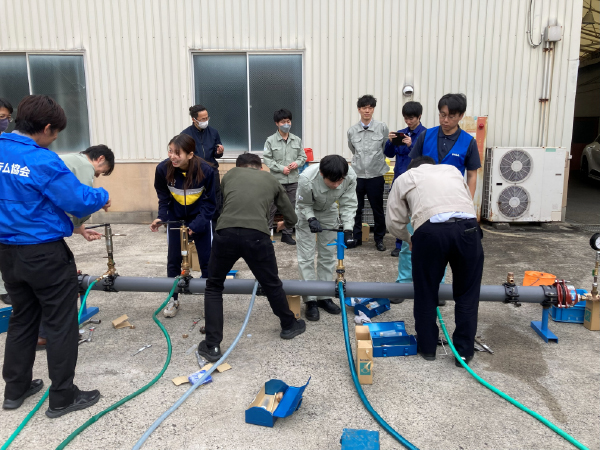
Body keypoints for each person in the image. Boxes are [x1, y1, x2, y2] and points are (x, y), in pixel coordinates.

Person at [0, 95, 110, 417]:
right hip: (43, 253)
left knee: (23, 317)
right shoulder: (42, 160)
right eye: (56, 133)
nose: (55, 139)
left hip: (7, 253)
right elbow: (77, 200)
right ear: (47, 128)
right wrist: (102, 194)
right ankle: (63, 396)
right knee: (61, 323)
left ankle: (15, 389)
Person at [197, 153, 305, 362]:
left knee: (214, 286)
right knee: (271, 283)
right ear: (260, 167)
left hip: (225, 233)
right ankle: (289, 325)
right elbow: (291, 215)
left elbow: (222, 206)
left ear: (239, 167)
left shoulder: (229, 176)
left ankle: (212, 346)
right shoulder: (270, 179)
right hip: (257, 236)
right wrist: (286, 224)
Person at [386, 156, 484, 367]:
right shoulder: (451, 170)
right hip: (469, 229)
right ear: (433, 166)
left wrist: (409, 238)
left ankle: (428, 347)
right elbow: (466, 199)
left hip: (430, 231)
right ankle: (464, 353)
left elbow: (393, 221)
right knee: (467, 294)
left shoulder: (406, 177)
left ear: (412, 168)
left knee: (426, 292)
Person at [37, 145, 116, 350]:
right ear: (100, 159)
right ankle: (50, 335)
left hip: (26, 232)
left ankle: (38, 332)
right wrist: (102, 198)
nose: (97, 175)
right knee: (62, 282)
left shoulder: (67, 159)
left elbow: (62, 201)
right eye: (100, 172)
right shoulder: (84, 165)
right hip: (43, 238)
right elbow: (80, 202)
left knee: (35, 286)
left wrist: (80, 230)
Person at [150, 134, 216, 318]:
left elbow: (211, 203)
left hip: (200, 218)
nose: (172, 156)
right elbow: (163, 197)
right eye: (170, 151)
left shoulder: (206, 171)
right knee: (173, 260)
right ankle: (173, 299)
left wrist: (197, 224)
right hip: (175, 218)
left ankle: (210, 301)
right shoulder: (163, 169)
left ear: (190, 154)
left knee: (207, 261)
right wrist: (161, 217)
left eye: (177, 153)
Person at [296, 155, 358, 321]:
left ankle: (323, 296)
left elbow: (348, 203)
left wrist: (348, 229)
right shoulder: (306, 178)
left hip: (329, 210)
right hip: (306, 212)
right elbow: (304, 204)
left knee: (328, 254)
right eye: (333, 181)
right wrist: (310, 219)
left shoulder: (350, 176)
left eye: (340, 181)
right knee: (306, 256)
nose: (337, 185)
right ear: (322, 174)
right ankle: (310, 299)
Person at [409, 93, 481, 198]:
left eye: (451, 116)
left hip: (453, 197)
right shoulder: (426, 135)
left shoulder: (468, 142)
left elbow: (472, 175)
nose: (446, 120)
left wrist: (469, 201)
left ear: (461, 116)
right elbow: (413, 166)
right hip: (425, 195)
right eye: (443, 115)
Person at [384, 101, 426, 257]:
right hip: (399, 179)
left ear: (419, 116)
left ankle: (417, 242)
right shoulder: (401, 134)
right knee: (399, 212)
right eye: (406, 118)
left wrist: (411, 145)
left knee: (416, 213)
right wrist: (390, 142)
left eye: (411, 118)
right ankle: (399, 244)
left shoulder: (426, 135)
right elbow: (388, 154)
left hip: (417, 181)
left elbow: (425, 157)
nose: (408, 121)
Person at [347, 95, 389, 251]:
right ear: (359, 109)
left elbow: (385, 147)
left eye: (370, 108)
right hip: (358, 175)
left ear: (373, 109)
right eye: (364, 108)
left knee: (377, 209)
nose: (367, 111)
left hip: (375, 174)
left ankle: (379, 239)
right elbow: (353, 149)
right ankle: (357, 238)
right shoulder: (352, 131)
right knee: (356, 208)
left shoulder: (382, 127)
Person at [263, 108, 307, 245]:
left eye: (288, 121)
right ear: (277, 123)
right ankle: (267, 234)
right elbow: (267, 159)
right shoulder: (270, 141)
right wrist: (281, 168)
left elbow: (303, 157)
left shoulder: (296, 140)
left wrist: (297, 163)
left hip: (293, 180)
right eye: (283, 122)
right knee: (271, 208)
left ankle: (287, 234)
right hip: (276, 181)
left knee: (291, 208)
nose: (286, 124)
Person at [181, 105, 224, 231]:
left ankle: (215, 230)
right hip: (194, 173)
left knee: (215, 200)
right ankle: (195, 228)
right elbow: (183, 156)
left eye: (207, 118)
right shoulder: (185, 135)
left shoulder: (213, 132)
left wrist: (219, 152)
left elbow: (216, 154)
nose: (205, 121)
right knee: (196, 201)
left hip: (212, 171)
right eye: (202, 119)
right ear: (194, 119)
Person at [0, 98, 13, 306]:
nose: (5, 121)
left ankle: (6, 289)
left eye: (7, 117)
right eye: (2, 117)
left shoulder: (7, 142)